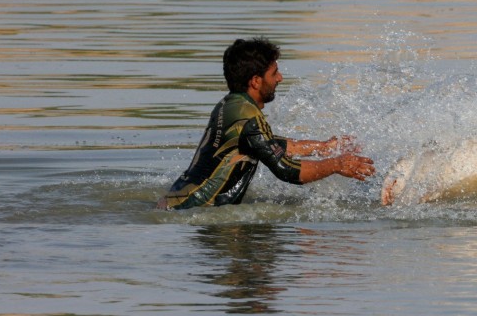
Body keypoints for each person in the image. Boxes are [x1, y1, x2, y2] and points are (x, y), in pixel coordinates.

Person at [159, 37, 375, 210]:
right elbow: (286, 170)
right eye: (274, 73)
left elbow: (266, 144)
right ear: (255, 81)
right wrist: (336, 164)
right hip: (195, 210)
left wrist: (324, 147)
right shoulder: (250, 118)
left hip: (176, 202)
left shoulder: (230, 104)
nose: (279, 78)